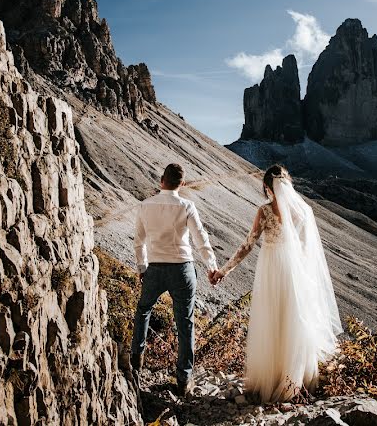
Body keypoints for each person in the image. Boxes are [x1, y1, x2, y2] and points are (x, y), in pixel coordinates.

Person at [211, 164, 342, 403]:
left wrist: (224, 271)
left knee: (271, 321)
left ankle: (270, 382)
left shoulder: (265, 211)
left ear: (266, 187)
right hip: (295, 272)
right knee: (294, 320)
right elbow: (307, 250)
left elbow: (247, 245)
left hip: (271, 269)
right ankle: (295, 383)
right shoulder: (302, 212)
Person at [130, 163, 218, 396]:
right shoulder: (187, 206)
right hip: (182, 269)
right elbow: (201, 239)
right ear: (182, 184)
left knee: (143, 310)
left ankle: (136, 361)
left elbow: (138, 241)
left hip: (155, 268)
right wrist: (211, 266)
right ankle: (183, 379)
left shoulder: (144, 205)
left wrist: (142, 267)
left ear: (162, 181)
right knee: (185, 322)